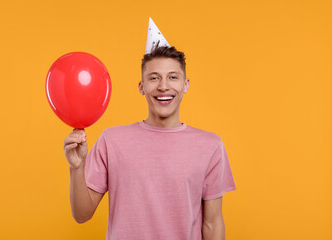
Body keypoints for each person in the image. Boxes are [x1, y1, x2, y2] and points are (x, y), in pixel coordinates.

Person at [63, 18, 236, 240]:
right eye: (154, 78)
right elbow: (82, 214)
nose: (164, 86)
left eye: (173, 77)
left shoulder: (210, 146)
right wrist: (76, 168)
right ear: (141, 87)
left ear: (186, 84)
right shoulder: (112, 140)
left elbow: (212, 224)